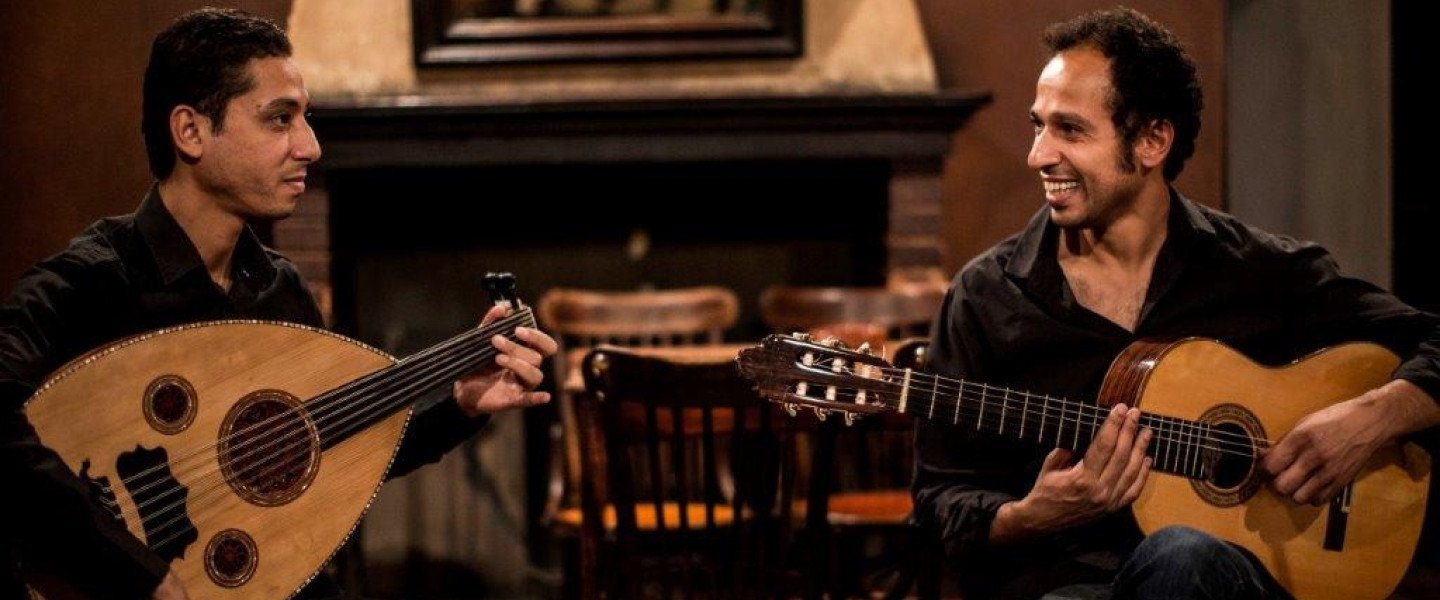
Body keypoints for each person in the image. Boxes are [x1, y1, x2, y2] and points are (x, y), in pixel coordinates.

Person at [0, 8, 558, 600]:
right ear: (190, 132)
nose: (310, 146)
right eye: (278, 119)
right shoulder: (87, 283)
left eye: (304, 118)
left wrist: (461, 403)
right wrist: (136, 572)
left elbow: (326, 452)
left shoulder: (279, 290)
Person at [911, 7, 1440, 600]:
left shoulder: (1258, 271)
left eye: (1070, 130)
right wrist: (1032, 514)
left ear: (1152, 141)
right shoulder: (987, 295)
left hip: (1237, 581)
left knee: (1183, 556)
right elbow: (937, 504)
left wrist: (1371, 419)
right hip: (1066, 584)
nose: (1038, 155)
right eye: (1038, 126)